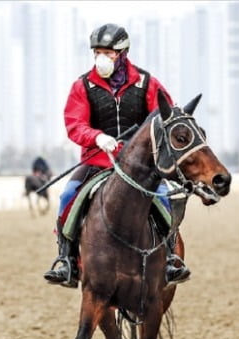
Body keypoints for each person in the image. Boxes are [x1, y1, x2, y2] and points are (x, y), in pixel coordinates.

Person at [43, 23, 190, 288]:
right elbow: (74, 124)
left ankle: (170, 258)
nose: (101, 57)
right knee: (68, 196)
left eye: (108, 53)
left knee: (164, 199)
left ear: (122, 53)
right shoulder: (82, 85)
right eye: (97, 52)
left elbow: (165, 117)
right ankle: (65, 260)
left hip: (140, 166)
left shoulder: (147, 83)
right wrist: (96, 137)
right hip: (97, 161)